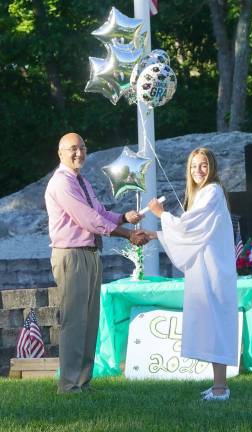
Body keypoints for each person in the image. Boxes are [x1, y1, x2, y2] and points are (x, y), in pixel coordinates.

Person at [45, 132, 149, 394]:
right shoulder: (62, 183)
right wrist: (127, 235)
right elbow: (89, 220)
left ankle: (82, 381)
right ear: (60, 154)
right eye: (72, 149)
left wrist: (124, 217)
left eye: (82, 147)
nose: (79, 153)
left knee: (89, 321)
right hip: (71, 256)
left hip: (90, 254)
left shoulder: (81, 181)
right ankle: (68, 386)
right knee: (74, 321)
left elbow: (101, 213)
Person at [147, 147, 238, 401]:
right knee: (210, 326)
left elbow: (188, 225)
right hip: (204, 269)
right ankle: (218, 384)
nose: (198, 170)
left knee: (216, 325)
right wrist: (156, 234)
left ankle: (221, 389)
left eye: (204, 165)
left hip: (213, 270)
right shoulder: (201, 194)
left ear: (213, 168)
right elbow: (191, 231)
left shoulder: (213, 191)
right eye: (194, 166)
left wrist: (160, 214)